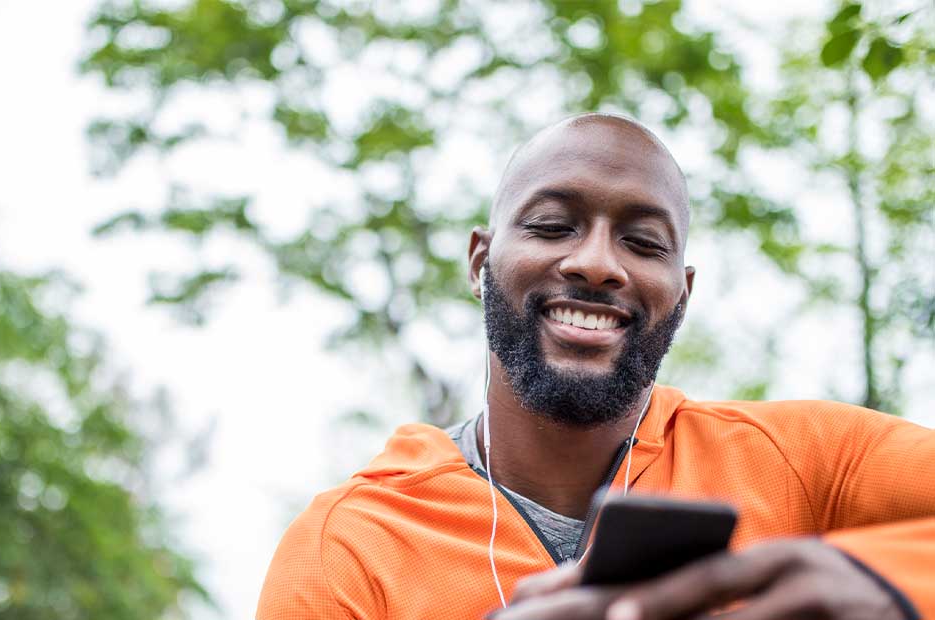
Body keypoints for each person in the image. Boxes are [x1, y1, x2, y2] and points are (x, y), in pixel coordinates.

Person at [256, 114, 935, 620]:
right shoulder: (348, 547)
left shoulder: (807, 462)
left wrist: (887, 586)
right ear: (479, 262)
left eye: (643, 242)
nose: (598, 264)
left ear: (682, 292)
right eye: (553, 226)